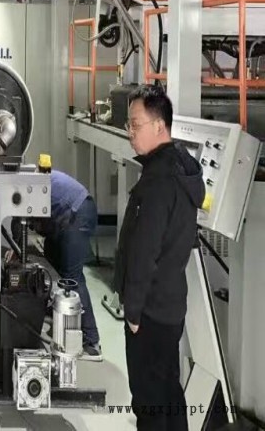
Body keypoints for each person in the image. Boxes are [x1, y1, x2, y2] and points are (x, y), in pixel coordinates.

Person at [115, 84, 204, 431]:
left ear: (159, 126)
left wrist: (133, 311)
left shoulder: (158, 182)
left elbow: (144, 251)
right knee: (169, 392)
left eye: (135, 124)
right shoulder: (180, 170)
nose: (130, 132)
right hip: (171, 305)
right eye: (129, 125)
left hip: (150, 311)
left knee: (149, 401)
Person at [34, 160, 101, 360]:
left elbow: (28, 222)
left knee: (72, 277)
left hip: (78, 214)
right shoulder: (33, 180)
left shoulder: (31, 186)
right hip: (66, 216)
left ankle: (91, 342)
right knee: (51, 260)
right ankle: (57, 318)